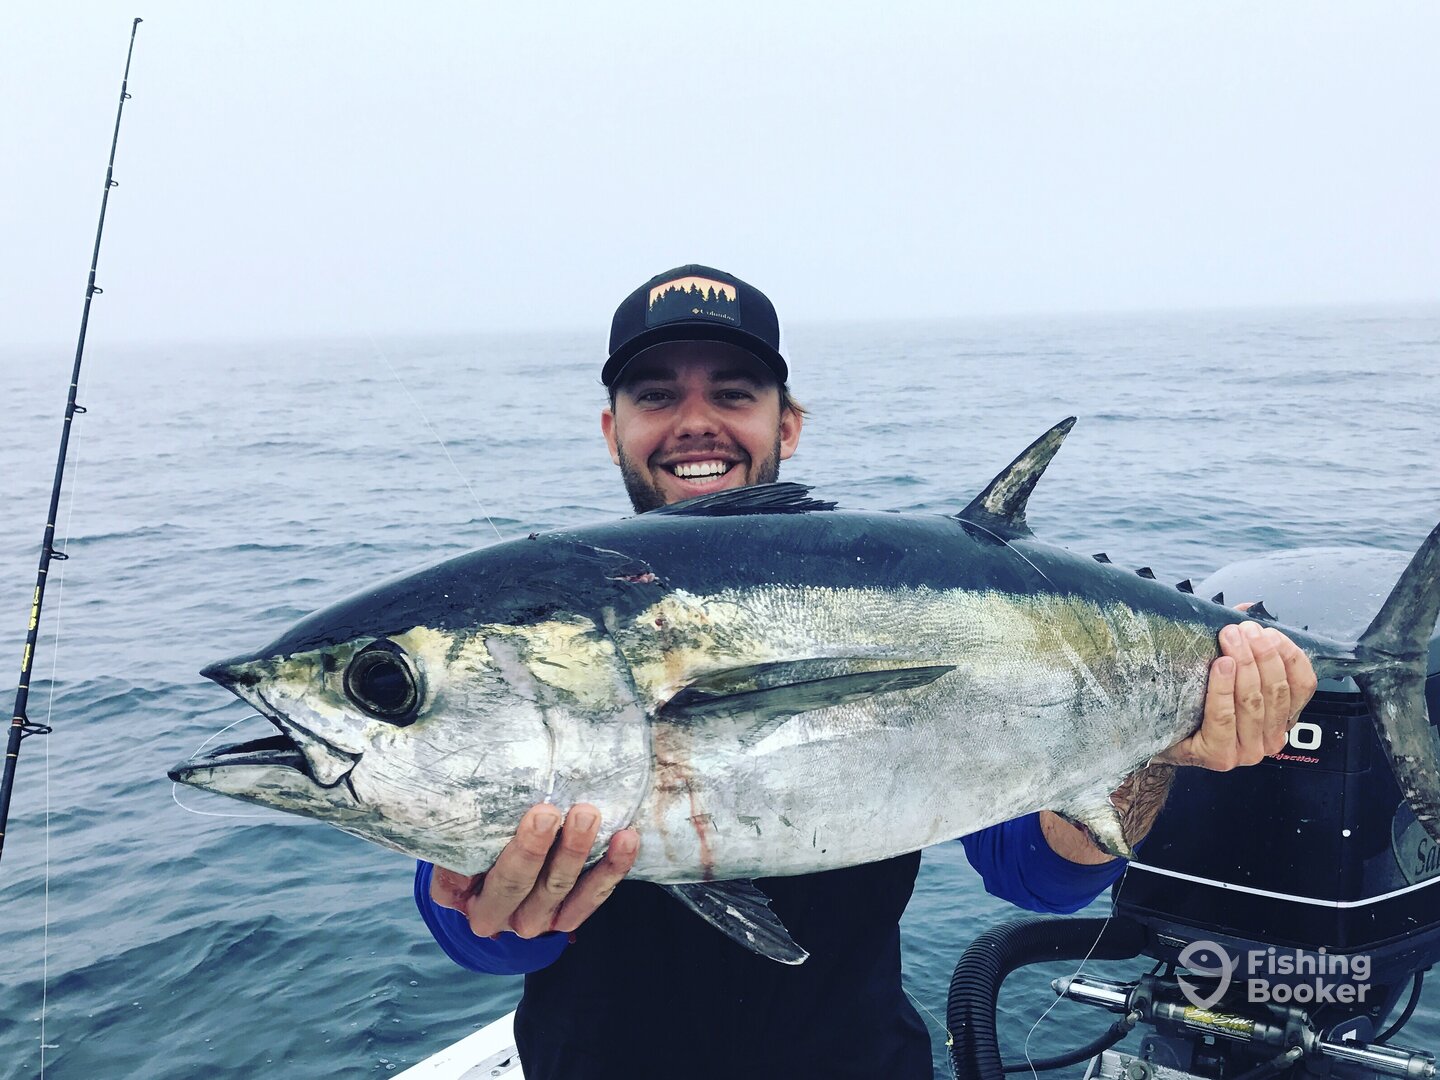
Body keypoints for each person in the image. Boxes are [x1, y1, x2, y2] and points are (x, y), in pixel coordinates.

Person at [414, 264, 1317, 1079]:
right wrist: (492, 911)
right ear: (613, 429)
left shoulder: (886, 587)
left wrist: (1155, 745)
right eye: (656, 395)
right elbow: (477, 937)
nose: (694, 422)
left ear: (788, 423)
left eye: (733, 392)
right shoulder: (547, 624)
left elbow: (1036, 874)